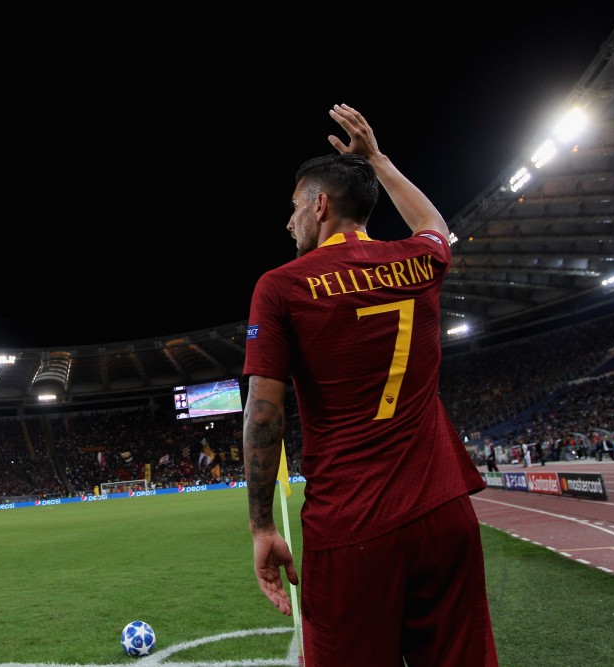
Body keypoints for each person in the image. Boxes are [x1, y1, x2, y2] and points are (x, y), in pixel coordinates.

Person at [242, 104, 497, 666]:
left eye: (294, 207)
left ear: (320, 206)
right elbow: (435, 228)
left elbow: (263, 413)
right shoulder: (417, 262)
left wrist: (261, 525)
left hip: (351, 525)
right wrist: (378, 159)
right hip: (444, 513)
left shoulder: (282, 286)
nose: (289, 222)